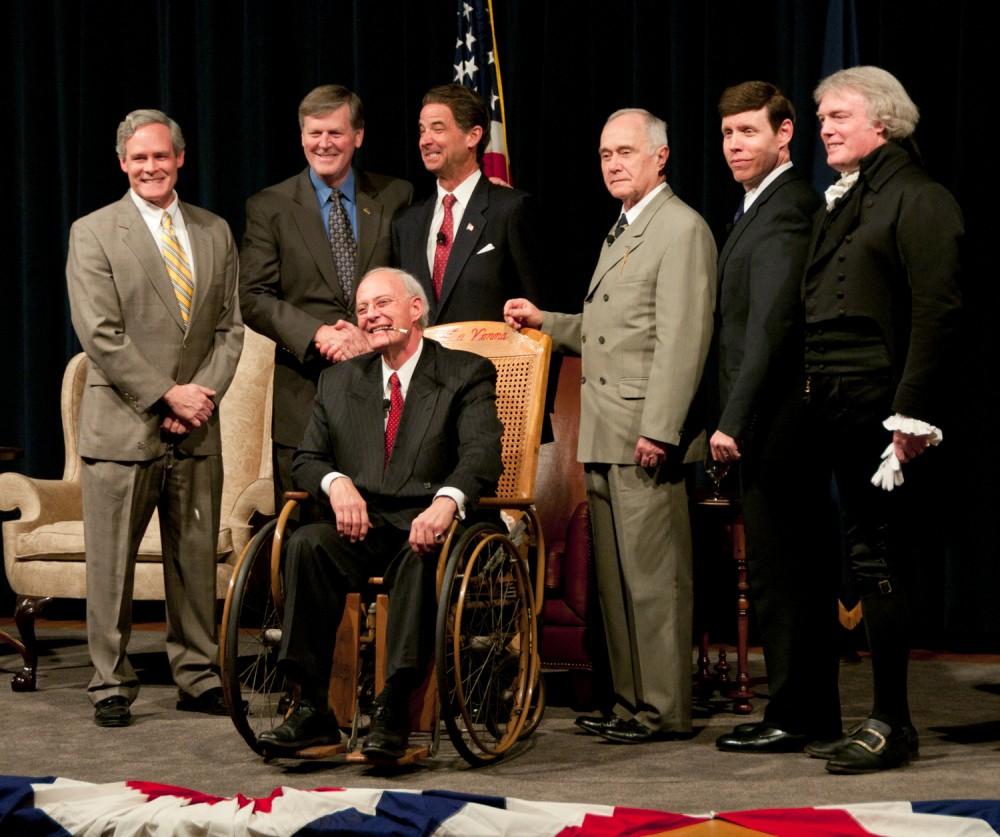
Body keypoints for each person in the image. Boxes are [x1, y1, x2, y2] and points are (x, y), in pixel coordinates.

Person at [504, 108, 716, 743]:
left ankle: (664, 709)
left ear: (660, 156)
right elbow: (611, 331)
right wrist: (549, 321)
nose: (614, 164)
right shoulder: (625, 227)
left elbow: (683, 339)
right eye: (604, 154)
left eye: (626, 151)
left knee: (653, 582)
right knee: (617, 583)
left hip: (643, 434)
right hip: (604, 429)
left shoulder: (680, 229)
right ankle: (629, 702)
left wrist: (662, 429)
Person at [257, 267, 503, 760]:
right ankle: (312, 710)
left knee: (421, 554)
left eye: (382, 304)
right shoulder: (339, 379)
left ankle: (395, 704)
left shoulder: (464, 372)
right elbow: (307, 458)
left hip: (427, 521)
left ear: (416, 309)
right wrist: (336, 482)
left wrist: (446, 502)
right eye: (363, 308)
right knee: (305, 544)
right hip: (361, 525)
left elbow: (481, 454)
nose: (371, 317)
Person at [799, 66, 962, 774]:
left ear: (884, 123)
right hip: (839, 404)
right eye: (822, 117)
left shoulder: (919, 197)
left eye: (840, 115)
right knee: (864, 558)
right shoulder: (850, 198)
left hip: (886, 413)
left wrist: (913, 416)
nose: (826, 127)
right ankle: (882, 716)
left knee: (881, 559)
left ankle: (893, 720)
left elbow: (939, 309)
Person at [66, 109, 243, 727]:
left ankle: (197, 675)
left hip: (196, 427)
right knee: (110, 564)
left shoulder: (215, 231)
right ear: (123, 163)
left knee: (194, 562)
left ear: (180, 159)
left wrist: (200, 397)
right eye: (139, 158)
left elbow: (229, 329)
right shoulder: (93, 232)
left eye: (160, 157)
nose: (150, 167)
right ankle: (109, 683)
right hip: (122, 428)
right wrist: (168, 394)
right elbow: (101, 336)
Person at [707, 82, 835, 754]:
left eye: (749, 132)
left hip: (778, 420)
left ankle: (794, 711)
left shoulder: (788, 209)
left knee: (784, 573)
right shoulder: (757, 206)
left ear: (785, 134)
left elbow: (769, 328)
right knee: (788, 570)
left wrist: (731, 419)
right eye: (728, 134)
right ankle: (808, 710)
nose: (735, 146)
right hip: (770, 418)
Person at [239, 85, 413, 505]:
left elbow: (412, 285)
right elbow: (253, 297)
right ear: (301, 137)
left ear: (358, 136)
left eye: (335, 133)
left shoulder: (396, 197)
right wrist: (321, 334)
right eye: (314, 133)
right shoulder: (270, 206)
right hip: (305, 395)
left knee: (385, 526)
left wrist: (369, 335)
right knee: (306, 536)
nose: (324, 143)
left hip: (386, 389)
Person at [392, 83, 543, 323]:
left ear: (473, 136)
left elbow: (538, 310)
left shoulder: (510, 210)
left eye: (437, 129)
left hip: (490, 358)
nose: (425, 140)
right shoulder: (406, 223)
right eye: (422, 130)